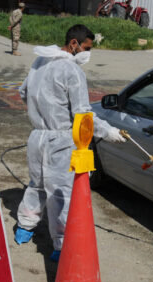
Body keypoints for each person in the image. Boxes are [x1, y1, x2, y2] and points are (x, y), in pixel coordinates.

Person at [14, 24, 126, 262]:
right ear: (74, 44)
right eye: (87, 48)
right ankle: (61, 245)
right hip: (61, 141)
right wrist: (108, 131)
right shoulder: (72, 71)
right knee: (60, 193)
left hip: (37, 137)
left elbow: (23, 92)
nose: (88, 54)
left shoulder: (40, 61)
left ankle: (24, 227)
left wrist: (41, 110)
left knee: (36, 185)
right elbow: (82, 115)